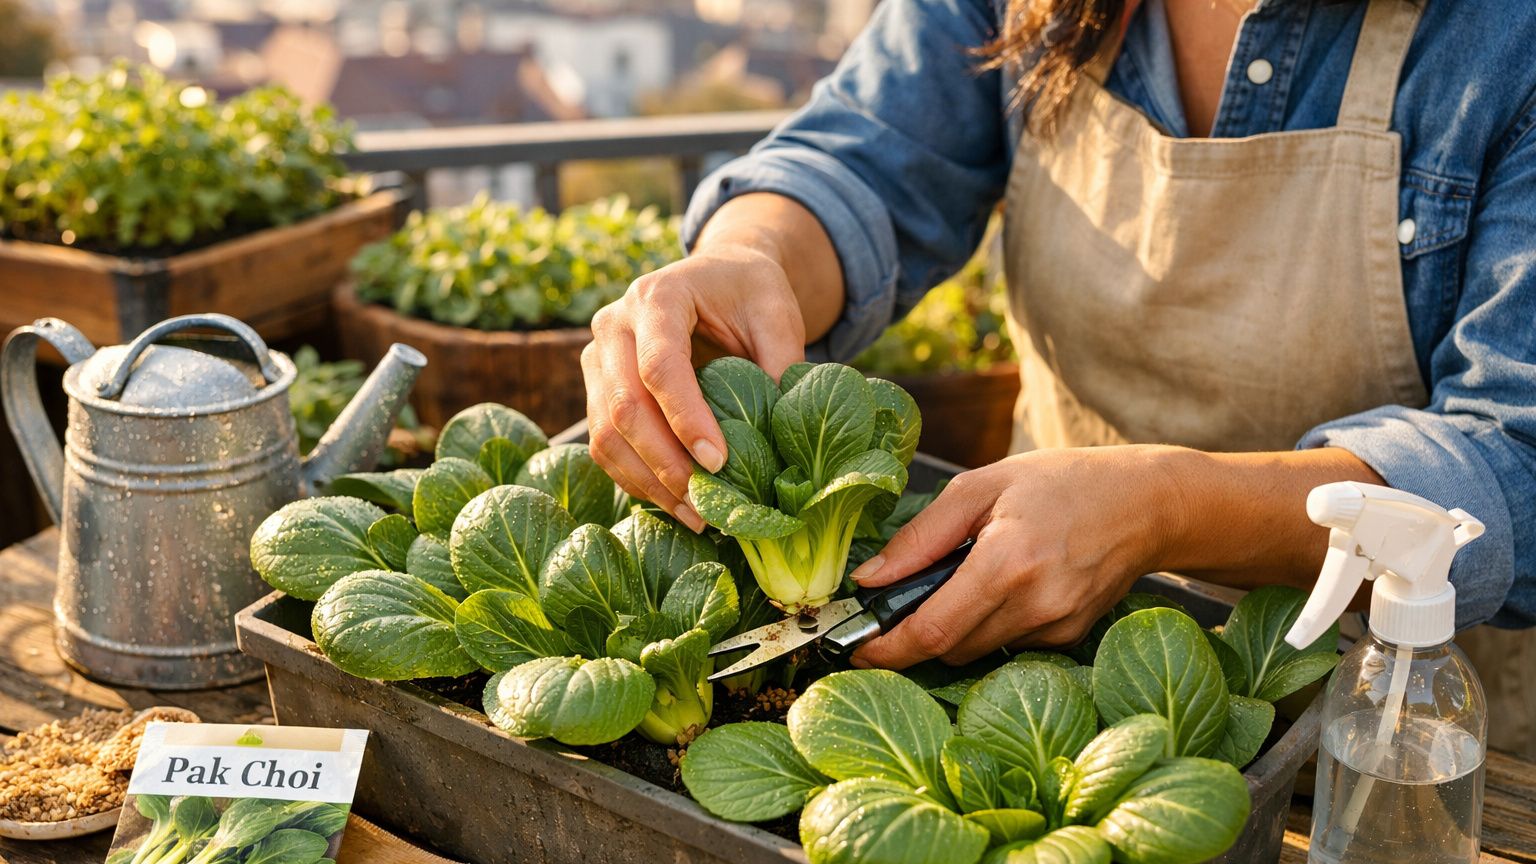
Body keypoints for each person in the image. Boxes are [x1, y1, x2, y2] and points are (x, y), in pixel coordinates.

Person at [581, 0, 1536, 755]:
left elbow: (1517, 458)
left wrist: (1166, 507)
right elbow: (865, 160)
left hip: (1399, 740)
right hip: (1025, 655)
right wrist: (751, 257)